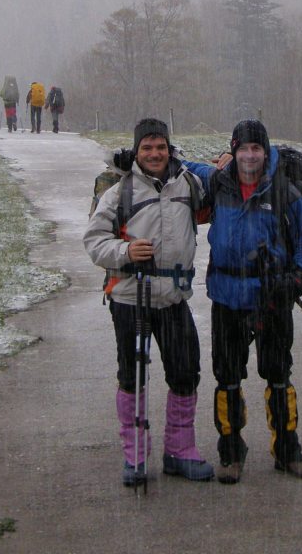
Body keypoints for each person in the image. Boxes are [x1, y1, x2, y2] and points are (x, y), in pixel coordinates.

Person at [183, 119, 302, 484]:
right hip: (227, 299)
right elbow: (179, 165)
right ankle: (231, 450)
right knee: (227, 377)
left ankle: (287, 450)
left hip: (272, 299)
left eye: (256, 148)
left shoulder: (284, 192)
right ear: (233, 151)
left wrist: (298, 276)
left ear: (265, 151)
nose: (250, 156)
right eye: (243, 148)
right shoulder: (218, 182)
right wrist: (141, 154)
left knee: (278, 375)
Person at [83, 117, 214, 487]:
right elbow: (93, 242)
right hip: (129, 298)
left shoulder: (189, 184)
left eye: (160, 147)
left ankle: (179, 452)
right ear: (137, 152)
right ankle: (135, 457)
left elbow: (214, 209)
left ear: (169, 149)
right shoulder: (118, 192)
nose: (154, 154)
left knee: (186, 372)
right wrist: (125, 250)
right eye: (147, 148)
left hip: (173, 298)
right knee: (132, 376)